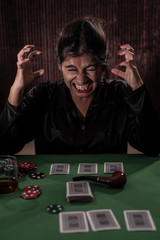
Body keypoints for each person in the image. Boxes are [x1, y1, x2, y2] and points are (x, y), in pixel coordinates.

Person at [0, 17, 159, 156]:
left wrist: (138, 88)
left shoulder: (121, 93)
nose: (81, 80)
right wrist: (17, 89)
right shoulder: (42, 95)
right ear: (59, 66)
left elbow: (152, 147)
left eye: (90, 69)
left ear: (103, 67)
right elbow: (5, 147)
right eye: (71, 69)